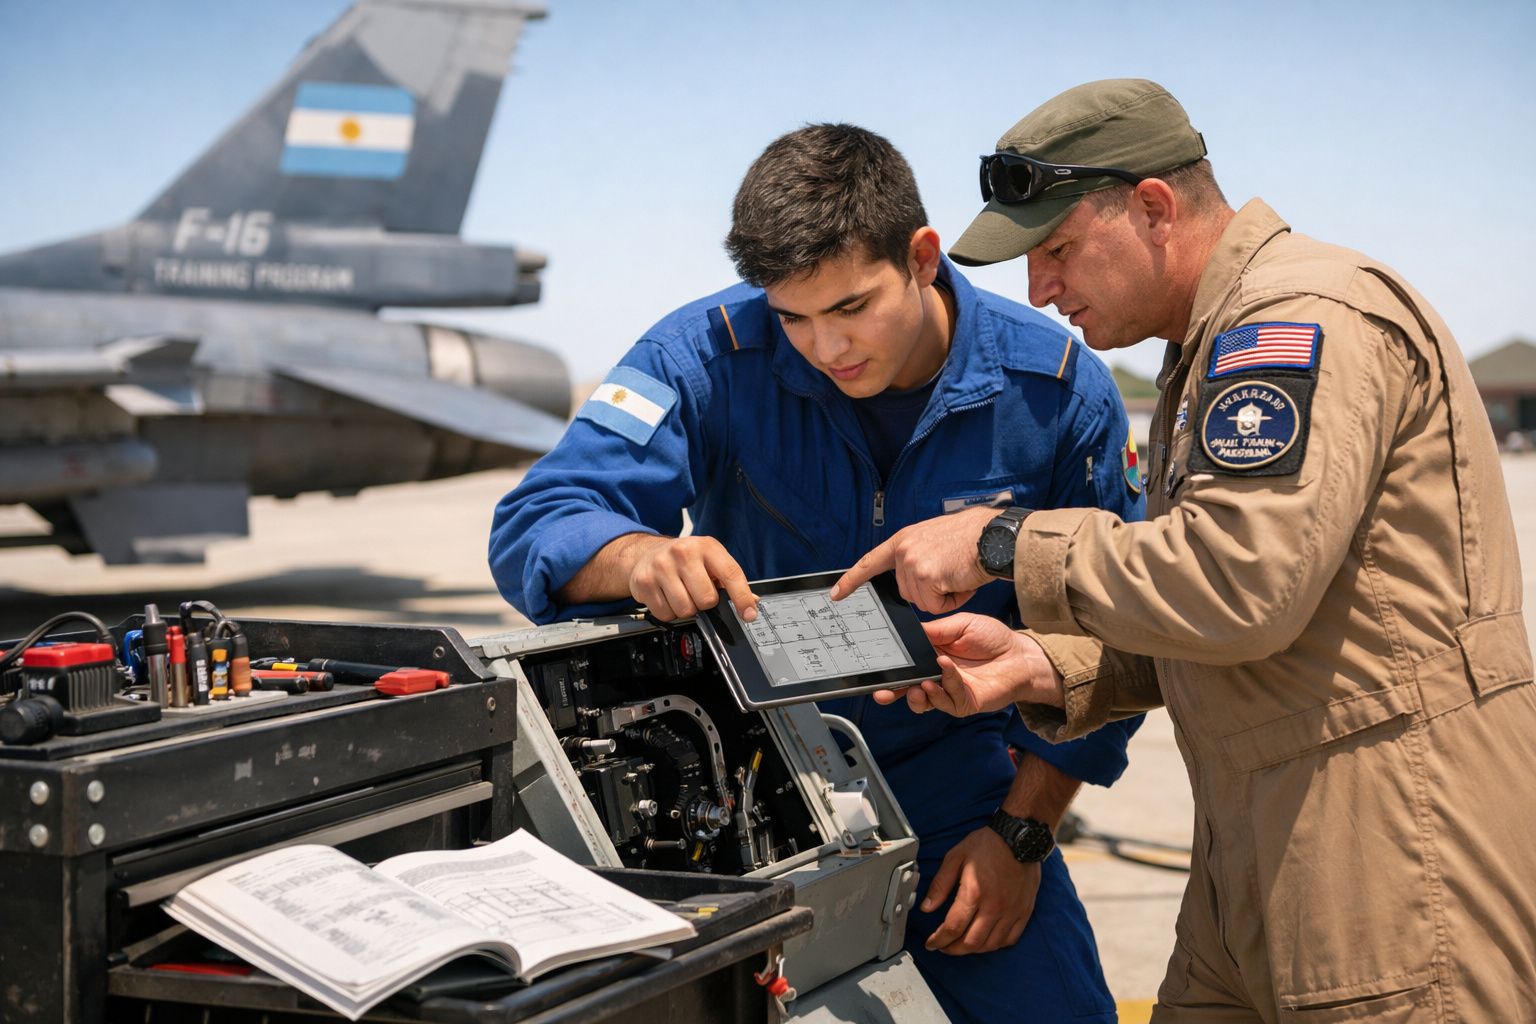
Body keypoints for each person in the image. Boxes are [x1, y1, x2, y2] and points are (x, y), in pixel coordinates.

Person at [834, 80, 1536, 1021]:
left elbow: (1243, 582)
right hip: (1256, 858)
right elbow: (1228, 623)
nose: (1039, 290)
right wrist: (1041, 664)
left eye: (1058, 250)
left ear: (1155, 208)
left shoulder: (1298, 320)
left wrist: (1002, 540)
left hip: (1385, 860)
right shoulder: (1207, 348)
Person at [489, 124, 1146, 1023]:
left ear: (921, 257)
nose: (822, 347)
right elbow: (539, 520)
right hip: (759, 781)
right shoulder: (705, 354)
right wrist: (640, 557)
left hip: (965, 789)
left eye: (849, 309)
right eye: (791, 316)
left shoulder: (1058, 389)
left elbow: (1110, 642)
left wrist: (1022, 835)